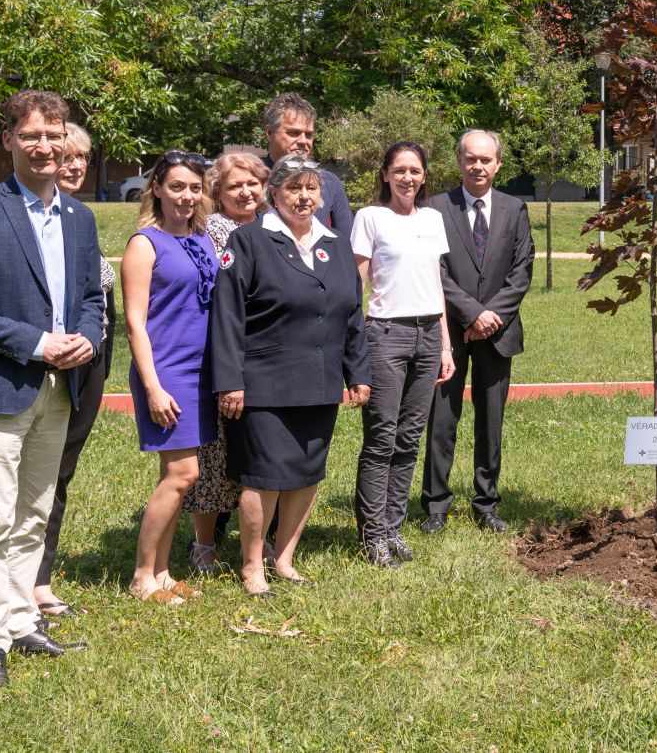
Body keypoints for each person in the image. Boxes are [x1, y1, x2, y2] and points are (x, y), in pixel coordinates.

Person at [0, 89, 104, 686]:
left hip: (59, 390)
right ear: (7, 141)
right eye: (29, 135)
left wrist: (85, 336)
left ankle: (19, 620)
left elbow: (89, 296)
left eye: (53, 135)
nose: (43, 146)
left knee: (34, 511)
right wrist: (36, 343)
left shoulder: (80, 218)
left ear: (67, 141)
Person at [212, 157, 371, 597]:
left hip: (319, 381)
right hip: (263, 382)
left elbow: (351, 313)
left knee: (306, 473)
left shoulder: (335, 243)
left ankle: (283, 558)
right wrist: (230, 380)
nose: (304, 198)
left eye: (312, 190)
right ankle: (251, 565)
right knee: (263, 476)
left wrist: (357, 371)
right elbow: (227, 317)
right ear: (273, 195)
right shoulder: (249, 241)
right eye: (294, 189)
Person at [421, 129, 533, 534]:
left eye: (486, 159)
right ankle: (435, 506)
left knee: (491, 421)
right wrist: (471, 315)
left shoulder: (514, 208)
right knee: (442, 420)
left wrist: (490, 318)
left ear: (498, 164)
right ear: (459, 162)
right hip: (449, 334)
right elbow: (434, 269)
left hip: (498, 334)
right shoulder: (435, 208)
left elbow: (522, 271)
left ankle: (485, 504)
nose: (478, 166)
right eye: (470, 159)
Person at [351, 142, 456, 566]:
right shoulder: (370, 218)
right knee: (382, 437)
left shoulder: (432, 219)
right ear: (385, 175)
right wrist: (353, 346)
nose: (407, 177)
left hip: (429, 333)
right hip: (385, 334)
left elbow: (435, 282)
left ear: (425, 176)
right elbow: (356, 285)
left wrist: (445, 343)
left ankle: (393, 529)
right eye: (399, 170)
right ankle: (372, 533)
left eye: (415, 170)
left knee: (410, 438)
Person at [121, 152, 219, 604]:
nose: (186, 196)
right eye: (177, 186)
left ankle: (163, 573)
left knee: (174, 475)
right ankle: (143, 576)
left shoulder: (201, 240)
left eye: (194, 188)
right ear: (157, 187)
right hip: (166, 371)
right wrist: (153, 386)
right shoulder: (145, 243)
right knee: (183, 474)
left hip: (202, 371)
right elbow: (135, 323)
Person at [31, 123, 117, 619]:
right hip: (43, 359)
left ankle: (39, 581)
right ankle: (15, 582)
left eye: (82, 158)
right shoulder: (24, 218)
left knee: (60, 470)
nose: (75, 165)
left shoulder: (78, 218)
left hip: (89, 360)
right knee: (30, 475)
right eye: (66, 156)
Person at [182, 152, 269, 573]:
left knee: (260, 450)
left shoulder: (275, 228)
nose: (246, 191)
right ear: (217, 191)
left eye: (253, 183)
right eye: (235, 185)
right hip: (222, 351)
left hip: (268, 354)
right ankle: (204, 544)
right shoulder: (213, 232)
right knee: (213, 454)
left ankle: (258, 538)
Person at [261, 92, 352, 233]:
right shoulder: (252, 180)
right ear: (269, 133)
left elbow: (345, 243)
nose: (304, 141)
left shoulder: (329, 183)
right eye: (293, 133)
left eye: (309, 135)